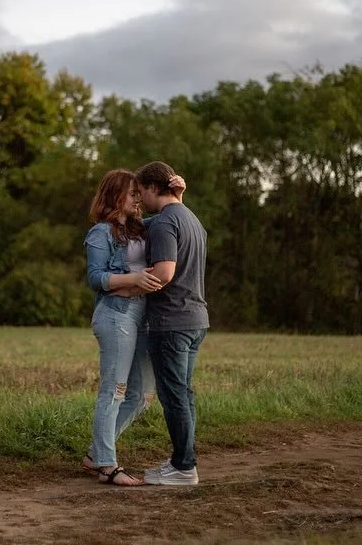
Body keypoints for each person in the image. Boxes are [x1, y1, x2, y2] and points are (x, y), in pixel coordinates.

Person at [82, 168, 185, 486]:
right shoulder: (101, 233)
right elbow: (95, 278)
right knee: (114, 389)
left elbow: (167, 215)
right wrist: (133, 279)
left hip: (140, 317)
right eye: (133, 194)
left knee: (141, 394)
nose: (139, 199)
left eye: (140, 193)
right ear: (115, 196)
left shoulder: (143, 228)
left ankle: (96, 453)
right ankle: (106, 465)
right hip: (115, 317)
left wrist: (178, 196)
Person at [135, 160, 208, 486]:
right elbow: (140, 222)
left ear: (153, 188)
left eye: (140, 192)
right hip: (195, 320)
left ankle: (183, 467)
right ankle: (183, 461)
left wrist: (125, 281)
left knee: (174, 395)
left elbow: (164, 273)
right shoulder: (190, 218)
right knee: (183, 394)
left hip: (171, 322)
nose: (138, 200)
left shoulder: (165, 223)